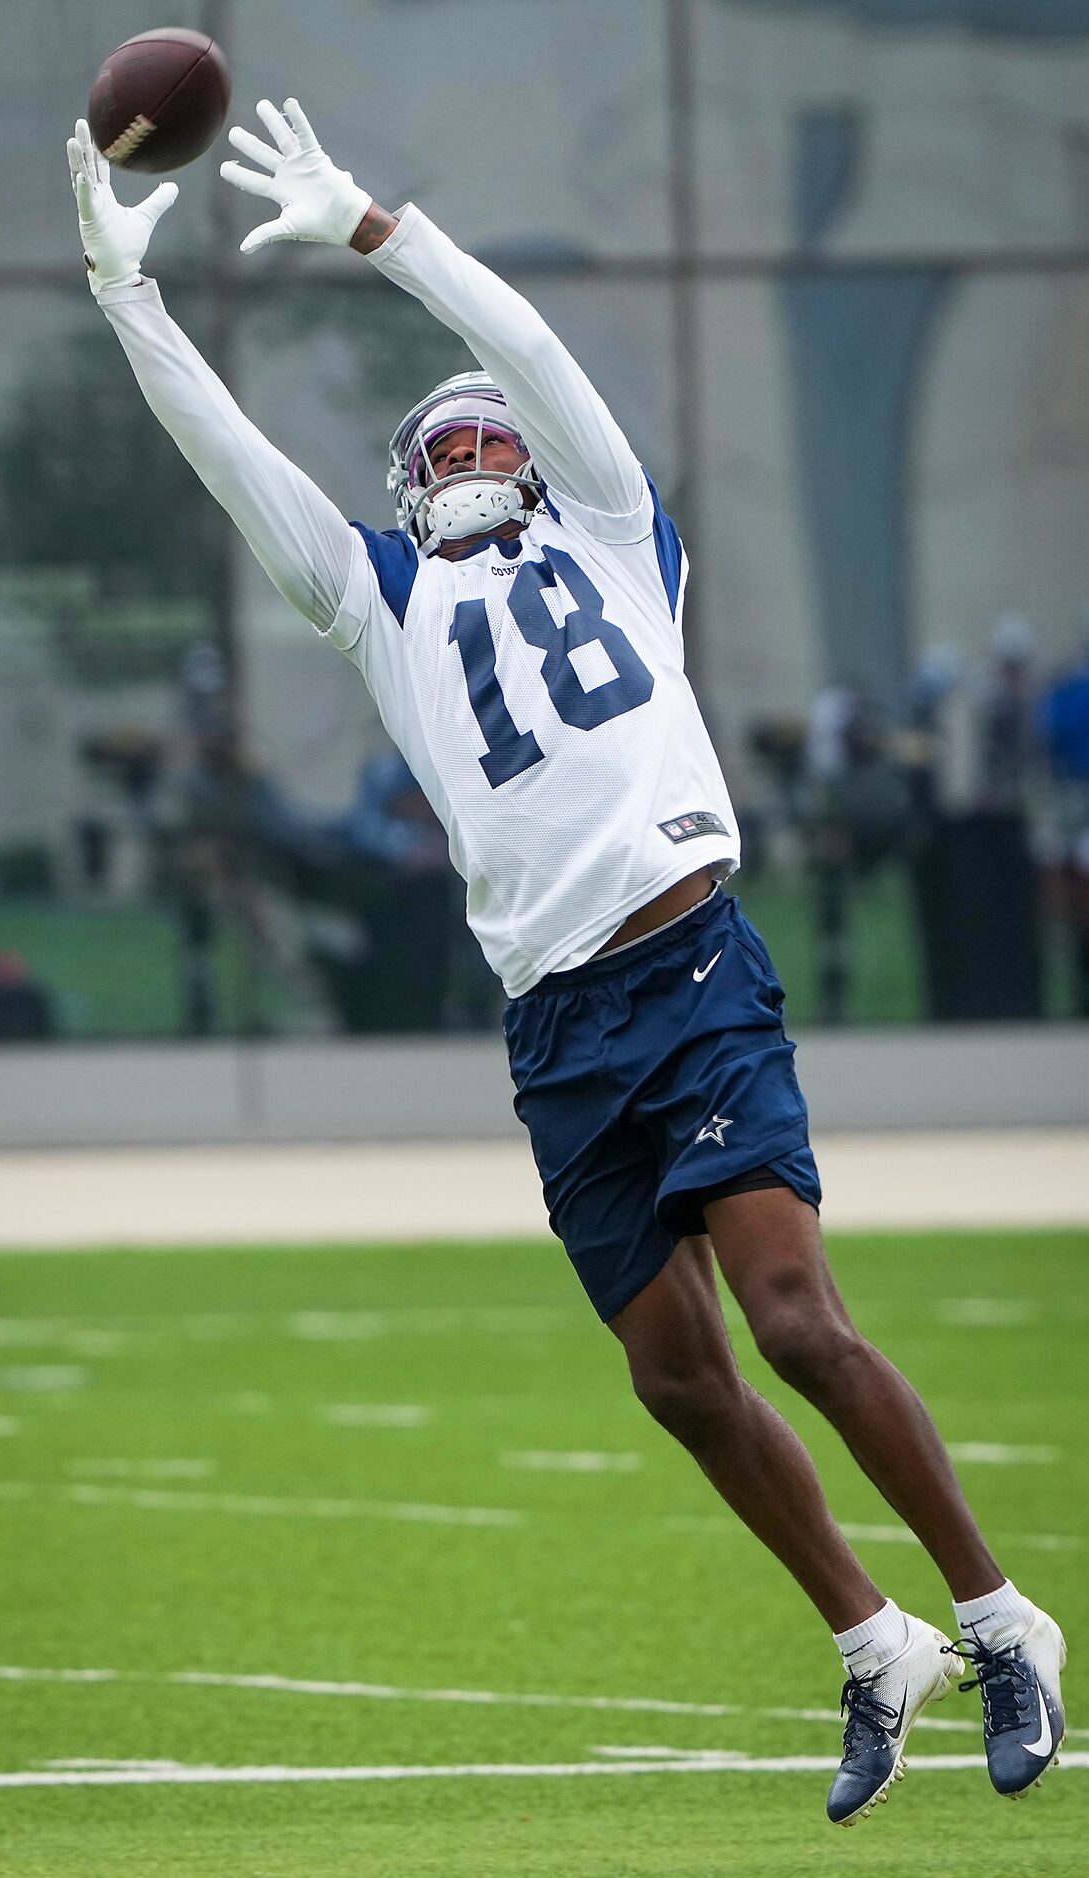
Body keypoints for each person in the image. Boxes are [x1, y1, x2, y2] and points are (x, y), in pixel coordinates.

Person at [66, 104, 1065, 1826]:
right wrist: (127, 301)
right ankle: (872, 1639)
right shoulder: (373, 599)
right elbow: (227, 455)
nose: (464, 452)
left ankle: (1001, 1615)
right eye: (436, 447)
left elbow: (518, 343)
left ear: (525, 463)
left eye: (481, 440)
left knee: (795, 1318)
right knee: (677, 1376)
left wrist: (381, 230)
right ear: (406, 486)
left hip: (686, 959)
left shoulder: (613, 530)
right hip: (555, 1022)